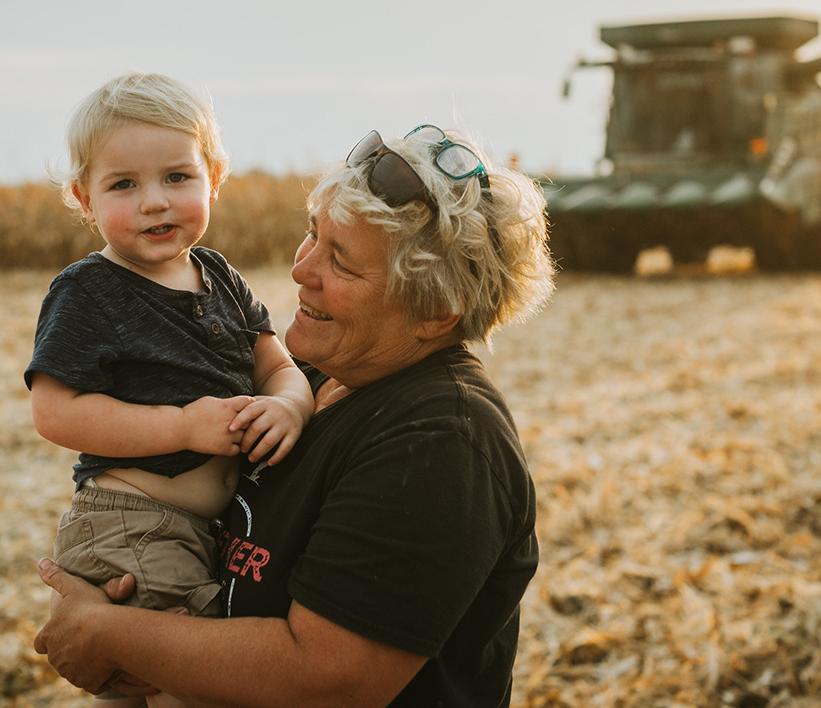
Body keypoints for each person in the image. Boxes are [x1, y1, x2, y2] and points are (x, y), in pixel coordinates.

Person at [34, 122, 556, 707]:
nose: (300, 269)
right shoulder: (308, 384)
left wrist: (108, 633)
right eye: (313, 235)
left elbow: (326, 679)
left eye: (341, 261)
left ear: (436, 310)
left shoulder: (441, 442)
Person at [25, 71, 314, 708]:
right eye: (123, 184)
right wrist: (181, 428)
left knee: (146, 683)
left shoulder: (219, 276)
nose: (154, 200)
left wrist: (291, 404)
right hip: (132, 522)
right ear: (84, 198)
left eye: (176, 177)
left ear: (213, 176)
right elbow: (55, 411)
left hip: (199, 529)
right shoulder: (87, 291)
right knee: (187, 680)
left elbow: (276, 365)